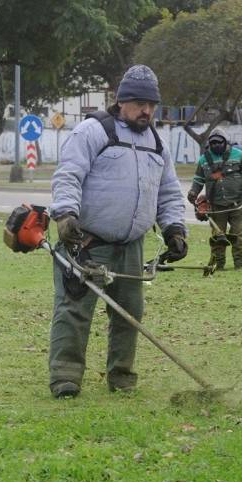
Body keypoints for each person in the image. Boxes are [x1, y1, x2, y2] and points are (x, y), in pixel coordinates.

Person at [49, 64, 187, 399]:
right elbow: (69, 175)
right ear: (121, 101)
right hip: (87, 242)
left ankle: (121, 375)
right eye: (140, 103)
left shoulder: (157, 143)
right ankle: (65, 376)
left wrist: (174, 228)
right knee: (74, 310)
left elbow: (168, 191)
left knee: (130, 313)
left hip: (131, 247)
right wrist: (65, 213)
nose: (147, 110)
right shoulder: (92, 131)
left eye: (152, 104)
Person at [187, 128, 242, 270]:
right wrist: (193, 192)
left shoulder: (238, 155)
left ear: (225, 142)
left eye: (219, 142)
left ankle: (239, 265)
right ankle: (218, 265)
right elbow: (198, 180)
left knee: (240, 236)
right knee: (218, 237)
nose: (216, 145)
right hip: (216, 207)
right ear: (209, 144)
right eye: (213, 143)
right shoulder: (204, 160)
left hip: (238, 205)